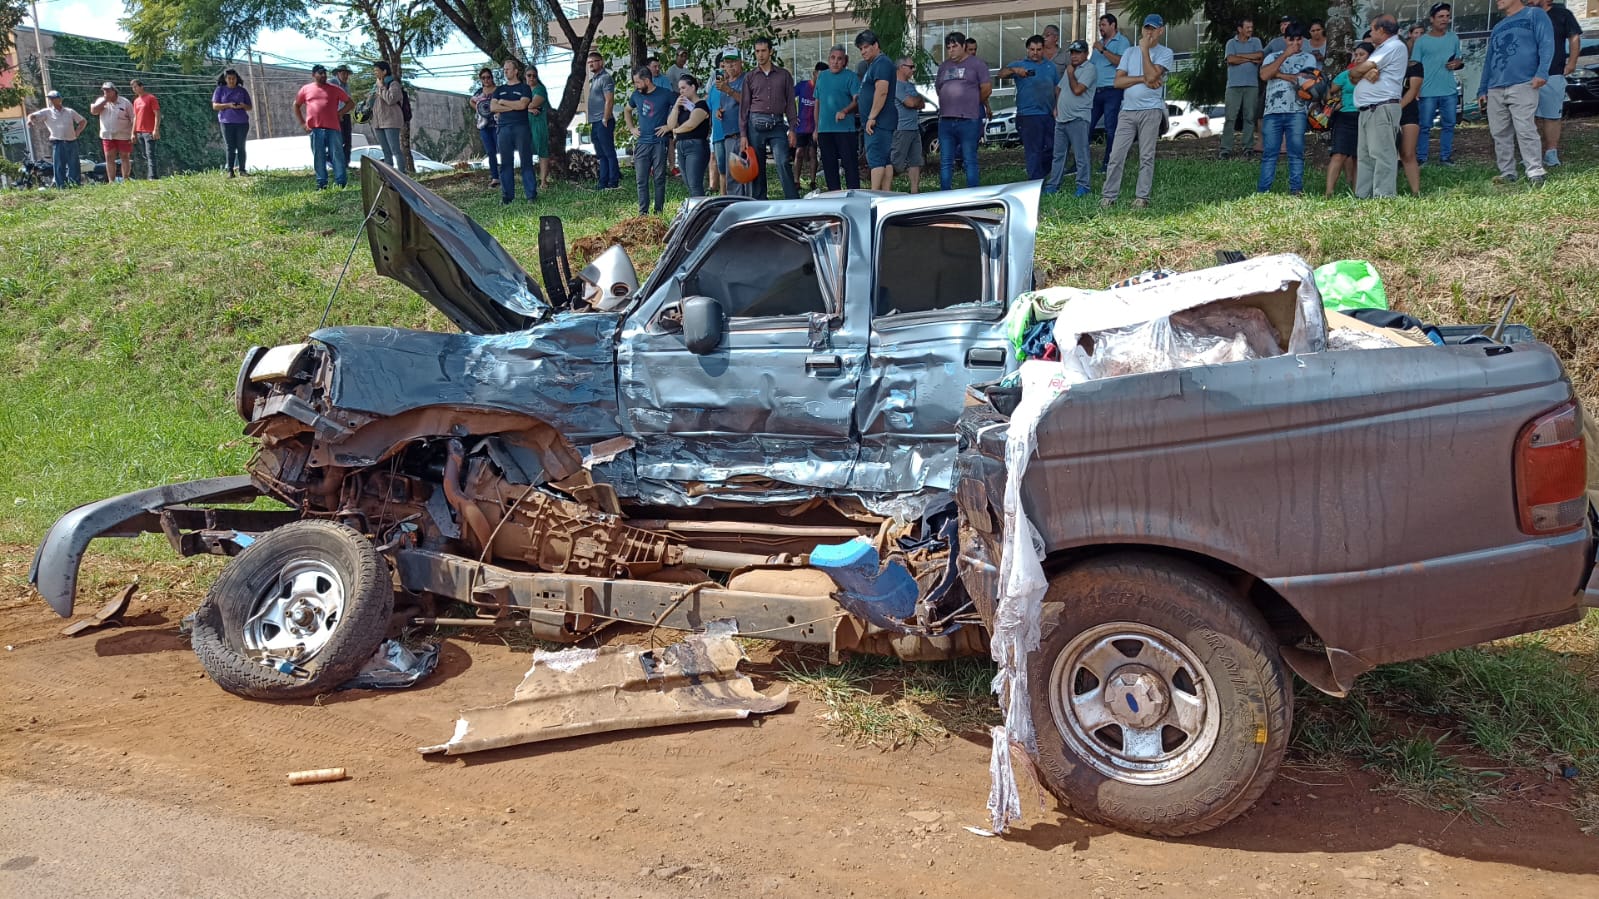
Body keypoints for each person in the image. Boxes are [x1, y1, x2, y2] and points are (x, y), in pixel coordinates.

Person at [1100, 15, 1173, 209]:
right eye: (1146, 28)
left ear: (1161, 31)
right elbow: (1118, 82)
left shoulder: (1166, 53)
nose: (1149, 32)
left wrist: (1144, 50)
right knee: (1116, 155)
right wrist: (1143, 80)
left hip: (1151, 110)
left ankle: (1142, 197)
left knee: (1146, 156)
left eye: (1153, 28)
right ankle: (1108, 196)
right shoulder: (1128, 53)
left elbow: (1152, 74)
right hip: (1127, 110)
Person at [1477, 0, 1552, 186]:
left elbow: (1546, 43)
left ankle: (1535, 172)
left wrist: (1542, 72)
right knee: (1499, 132)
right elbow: (1489, 59)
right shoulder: (1498, 27)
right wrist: (1482, 88)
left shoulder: (1534, 14)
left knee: (1525, 128)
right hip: (1495, 86)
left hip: (1524, 82)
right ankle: (1507, 172)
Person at [1349, 15, 1407, 198]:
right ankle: (1363, 196)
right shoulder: (1381, 49)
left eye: (1372, 29)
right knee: (1365, 156)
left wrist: (1364, 71)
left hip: (1381, 108)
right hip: (1368, 109)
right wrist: (1364, 72)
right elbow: (1355, 75)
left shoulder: (1393, 46)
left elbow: (1357, 71)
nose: (1371, 32)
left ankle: (1384, 196)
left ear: (1381, 30)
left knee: (1383, 154)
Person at [1258, 25, 1318, 196]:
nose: (1295, 43)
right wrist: (1285, 57)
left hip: (1297, 111)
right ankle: (1263, 191)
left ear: (1303, 40)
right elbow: (1264, 75)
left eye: (1298, 39)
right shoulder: (1273, 56)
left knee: (1296, 152)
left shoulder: (1309, 58)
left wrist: (1277, 74)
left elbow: (1306, 80)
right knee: (1269, 152)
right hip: (1272, 111)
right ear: (1285, 39)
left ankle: (1296, 189)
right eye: (1291, 39)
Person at [741, 36, 799, 200]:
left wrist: (793, 129)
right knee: (757, 167)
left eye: (763, 51)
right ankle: (760, 202)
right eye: (757, 51)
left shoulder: (784, 75)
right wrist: (743, 135)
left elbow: (790, 104)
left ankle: (793, 201)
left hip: (778, 124)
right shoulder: (750, 77)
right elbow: (744, 107)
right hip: (755, 124)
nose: (760, 55)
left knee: (782, 162)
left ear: (771, 51)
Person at [998, 35, 1061, 182]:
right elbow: (1001, 74)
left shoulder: (1050, 66)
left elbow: (1057, 88)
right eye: (1032, 49)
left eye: (1039, 49)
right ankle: (1035, 181)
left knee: (1052, 148)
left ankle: (1042, 175)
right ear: (1027, 50)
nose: (1035, 52)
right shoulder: (1020, 64)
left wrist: (1057, 107)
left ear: (1043, 50)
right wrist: (1015, 70)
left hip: (1048, 113)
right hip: (1028, 115)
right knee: (1033, 150)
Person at [1527, 0, 1582, 168]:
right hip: (1527, 75)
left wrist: (1572, 63)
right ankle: (1531, 154)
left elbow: (1574, 36)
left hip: (1553, 73)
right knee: (1528, 116)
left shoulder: (1562, 14)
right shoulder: (1525, 15)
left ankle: (1551, 153)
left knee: (1551, 115)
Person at [1411, 4, 1463, 165]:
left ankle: (1445, 156)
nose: (1445, 19)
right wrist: (1416, 89)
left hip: (1449, 89)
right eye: (1441, 16)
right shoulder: (1422, 41)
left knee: (1449, 125)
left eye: (1447, 16)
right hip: (1427, 90)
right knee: (1424, 126)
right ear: (1432, 19)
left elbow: (1459, 59)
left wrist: (1456, 63)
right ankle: (1421, 157)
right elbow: (1414, 65)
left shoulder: (1453, 37)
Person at [936, 32, 990, 190]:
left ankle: (973, 194)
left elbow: (986, 89)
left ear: (964, 46)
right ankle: (944, 194)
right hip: (946, 120)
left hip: (968, 120)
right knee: (945, 161)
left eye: (955, 46)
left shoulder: (977, 64)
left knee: (969, 159)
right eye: (948, 47)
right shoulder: (944, 66)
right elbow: (939, 88)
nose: (951, 50)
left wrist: (971, 102)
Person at [1044, 40, 1096, 197]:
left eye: (1078, 52)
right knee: (1058, 155)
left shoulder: (1089, 69)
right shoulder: (1069, 69)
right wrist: (1056, 107)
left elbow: (1078, 89)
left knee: (1081, 155)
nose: (1074, 56)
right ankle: (1053, 184)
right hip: (1062, 118)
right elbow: (1059, 88)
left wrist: (1071, 73)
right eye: (1072, 53)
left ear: (1086, 54)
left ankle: (1083, 185)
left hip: (1078, 118)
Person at [293, 65, 350, 189]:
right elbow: (296, 105)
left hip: (333, 128)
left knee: (337, 155)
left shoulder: (335, 89)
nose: (323, 75)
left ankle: (341, 182)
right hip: (315, 128)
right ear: (313, 75)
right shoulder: (306, 89)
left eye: (324, 73)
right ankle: (321, 183)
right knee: (319, 156)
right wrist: (303, 123)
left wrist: (340, 113)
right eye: (320, 73)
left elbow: (350, 103)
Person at [625, 65, 672, 214]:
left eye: (638, 82)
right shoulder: (636, 95)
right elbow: (627, 110)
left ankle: (658, 212)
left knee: (659, 179)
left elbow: (682, 105)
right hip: (642, 143)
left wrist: (669, 126)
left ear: (646, 80)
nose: (636, 86)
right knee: (641, 180)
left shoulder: (665, 94)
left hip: (659, 142)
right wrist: (631, 128)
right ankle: (642, 213)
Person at [814, 45, 861, 191]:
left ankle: (854, 195)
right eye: (833, 58)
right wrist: (816, 128)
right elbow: (817, 103)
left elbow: (857, 100)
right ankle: (834, 196)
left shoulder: (851, 77)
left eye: (839, 59)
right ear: (829, 59)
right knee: (829, 166)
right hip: (825, 130)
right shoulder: (822, 77)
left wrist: (845, 111)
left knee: (850, 165)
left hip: (845, 130)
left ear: (844, 61)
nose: (835, 62)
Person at [856, 29, 898, 192]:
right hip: (880, 121)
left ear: (876, 45)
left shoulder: (881, 63)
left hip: (878, 122)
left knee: (876, 160)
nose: (863, 51)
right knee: (885, 160)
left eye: (866, 47)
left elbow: (882, 91)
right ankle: (886, 195)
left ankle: (875, 196)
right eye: (860, 49)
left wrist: (872, 117)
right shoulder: (875, 64)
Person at [491, 57, 536, 203]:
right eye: (504, 69)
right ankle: (507, 196)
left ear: (516, 71)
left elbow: (523, 105)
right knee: (505, 163)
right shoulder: (499, 90)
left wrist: (503, 103)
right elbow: (493, 107)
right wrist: (512, 105)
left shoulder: (524, 88)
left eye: (508, 69)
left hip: (521, 127)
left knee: (526, 161)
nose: (505, 71)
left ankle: (531, 195)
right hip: (504, 129)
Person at [1088, 14, 1130, 171]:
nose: (1100, 28)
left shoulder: (1122, 41)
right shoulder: (1099, 44)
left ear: (1113, 25)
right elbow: (1092, 66)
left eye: (1103, 25)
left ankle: (1108, 163)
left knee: (1110, 127)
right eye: (1100, 25)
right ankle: (1081, 163)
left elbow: (1121, 61)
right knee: (1087, 126)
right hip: (1095, 91)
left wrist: (1103, 50)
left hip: (1113, 90)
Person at [1325, 43, 1368, 196]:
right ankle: (1328, 193)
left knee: (1359, 157)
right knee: (1339, 154)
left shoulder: (1375, 75)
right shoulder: (1345, 75)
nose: (1357, 58)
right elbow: (1329, 91)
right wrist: (1333, 105)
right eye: (1355, 55)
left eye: (1362, 54)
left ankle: (1357, 192)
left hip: (1365, 117)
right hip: (1344, 116)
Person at [1221, 18, 1265, 159]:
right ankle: (1226, 148)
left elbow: (1260, 56)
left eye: (1251, 27)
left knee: (1249, 117)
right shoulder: (1231, 43)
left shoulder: (1256, 42)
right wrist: (1250, 59)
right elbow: (1231, 60)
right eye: (1247, 27)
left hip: (1251, 85)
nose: (1250, 30)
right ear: (1240, 29)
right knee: (1230, 118)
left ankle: (1248, 147)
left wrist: (1240, 57)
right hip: (1233, 86)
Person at [26, 90, 86, 187]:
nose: (52, 101)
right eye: (50, 99)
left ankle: (75, 184)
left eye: (54, 98)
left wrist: (77, 132)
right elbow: (32, 115)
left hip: (71, 141)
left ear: (59, 99)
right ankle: (61, 186)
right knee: (59, 166)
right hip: (58, 142)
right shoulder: (47, 112)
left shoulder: (69, 111)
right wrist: (29, 120)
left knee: (74, 165)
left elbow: (82, 121)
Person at [667, 73, 711, 197]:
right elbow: (670, 124)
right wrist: (676, 107)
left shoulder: (701, 105)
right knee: (688, 183)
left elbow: (691, 124)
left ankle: (701, 210)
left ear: (693, 87)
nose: (681, 91)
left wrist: (676, 131)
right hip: (681, 146)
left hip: (696, 145)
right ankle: (696, 207)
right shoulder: (682, 107)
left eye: (684, 88)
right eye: (679, 88)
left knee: (695, 183)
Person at [717, 49, 750, 197]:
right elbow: (727, 104)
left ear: (740, 62)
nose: (730, 66)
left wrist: (728, 90)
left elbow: (747, 102)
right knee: (732, 175)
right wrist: (720, 111)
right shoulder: (724, 83)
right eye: (727, 63)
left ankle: (747, 205)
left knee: (744, 174)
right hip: (728, 134)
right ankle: (734, 205)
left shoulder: (746, 79)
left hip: (741, 134)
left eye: (733, 62)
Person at [585, 52, 620, 190]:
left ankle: (613, 181)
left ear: (601, 62)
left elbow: (609, 99)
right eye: (589, 62)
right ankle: (603, 181)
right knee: (601, 154)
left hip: (603, 120)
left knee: (609, 152)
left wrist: (605, 117)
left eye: (594, 61)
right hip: (595, 121)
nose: (591, 64)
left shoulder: (605, 78)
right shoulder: (594, 79)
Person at [891, 56, 925, 193]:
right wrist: (916, 101)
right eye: (911, 67)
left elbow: (921, 103)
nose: (913, 70)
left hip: (914, 128)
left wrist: (916, 101)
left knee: (915, 161)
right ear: (901, 67)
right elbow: (911, 103)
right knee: (895, 163)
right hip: (901, 129)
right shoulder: (896, 85)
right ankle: (885, 189)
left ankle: (914, 192)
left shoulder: (910, 86)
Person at [89, 82, 135, 183]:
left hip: (124, 135)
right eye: (104, 91)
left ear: (114, 91)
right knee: (109, 157)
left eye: (108, 91)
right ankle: (111, 181)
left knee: (124, 156)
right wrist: (105, 101)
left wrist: (133, 133)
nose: (106, 92)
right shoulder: (101, 101)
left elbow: (133, 118)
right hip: (107, 135)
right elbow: (93, 111)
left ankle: (126, 179)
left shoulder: (125, 102)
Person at [212, 69, 251, 177]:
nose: (231, 80)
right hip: (226, 122)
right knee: (230, 147)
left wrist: (242, 105)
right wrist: (228, 105)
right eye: (229, 78)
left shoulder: (242, 91)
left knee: (241, 146)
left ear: (236, 79)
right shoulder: (220, 90)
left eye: (233, 78)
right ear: (225, 79)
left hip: (241, 122)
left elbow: (250, 107)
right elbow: (215, 106)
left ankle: (242, 170)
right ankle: (230, 170)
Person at [1398, 49, 1425, 195]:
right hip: (1384, 110)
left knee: (1407, 152)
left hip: (1408, 111)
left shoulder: (1414, 66)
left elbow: (1413, 91)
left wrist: (1397, 109)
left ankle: (1416, 191)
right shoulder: (1382, 66)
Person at [469, 68, 500, 188]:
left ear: (492, 77)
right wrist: (479, 110)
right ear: (480, 79)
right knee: (490, 152)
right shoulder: (479, 92)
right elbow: (471, 101)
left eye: (488, 77)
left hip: (497, 125)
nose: (486, 80)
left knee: (501, 150)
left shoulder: (498, 90)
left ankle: (505, 174)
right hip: (484, 126)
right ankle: (495, 177)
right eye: (483, 78)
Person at [371, 60, 404, 168]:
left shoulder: (393, 84)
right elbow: (372, 104)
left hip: (391, 121)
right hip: (378, 122)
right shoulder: (376, 86)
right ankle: (389, 174)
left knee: (395, 149)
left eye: (377, 70)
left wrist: (381, 87)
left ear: (384, 71)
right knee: (385, 151)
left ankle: (402, 173)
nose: (375, 73)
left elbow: (391, 99)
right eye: (374, 70)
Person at [524, 66, 552, 191]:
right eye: (529, 75)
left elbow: (533, 103)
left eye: (534, 75)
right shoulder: (523, 90)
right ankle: (530, 180)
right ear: (525, 76)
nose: (531, 78)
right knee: (526, 152)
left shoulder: (540, 89)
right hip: (525, 125)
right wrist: (528, 109)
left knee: (542, 151)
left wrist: (526, 107)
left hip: (538, 124)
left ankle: (543, 180)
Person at [127, 79, 161, 180]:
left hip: (149, 130)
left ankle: (152, 177)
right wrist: (133, 133)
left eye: (135, 87)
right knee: (145, 154)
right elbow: (135, 117)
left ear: (141, 86)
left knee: (150, 153)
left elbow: (157, 114)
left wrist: (156, 129)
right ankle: (152, 175)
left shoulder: (151, 98)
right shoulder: (136, 101)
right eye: (133, 88)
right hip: (139, 131)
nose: (134, 89)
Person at [793, 62, 819, 190]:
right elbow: (789, 96)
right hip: (801, 126)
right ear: (814, 74)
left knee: (813, 153)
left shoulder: (822, 89)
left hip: (814, 127)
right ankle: (796, 181)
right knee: (799, 152)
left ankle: (813, 181)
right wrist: (793, 116)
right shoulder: (803, 86)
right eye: (818, 75)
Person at [330, 65, 355, 161]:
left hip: (345, 114)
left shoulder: (346, 85)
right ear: (338, 74)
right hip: (335, 115)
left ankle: (346, 162)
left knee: (347, 140)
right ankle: (335, 162)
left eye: (347, 74)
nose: (346, 76)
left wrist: (342, 112)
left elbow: (349, 102)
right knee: (338, 140)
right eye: (343, 73)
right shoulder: (332, 83)